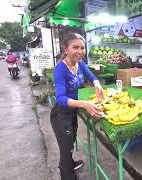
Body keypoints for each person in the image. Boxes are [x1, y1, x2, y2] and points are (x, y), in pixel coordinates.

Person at [50, 33, 104, 180]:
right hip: (61, 115)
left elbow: (91, 76)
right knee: (65, 149)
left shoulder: (80, 64)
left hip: (72, 111)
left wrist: (97, 84)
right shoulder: (60, 69)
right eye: (75, 47)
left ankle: (70, 163)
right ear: (65, 49)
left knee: (70, 142)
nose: (80, 51)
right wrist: (84, 104)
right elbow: (60, 98)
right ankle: (67, 173)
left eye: (82, 48)